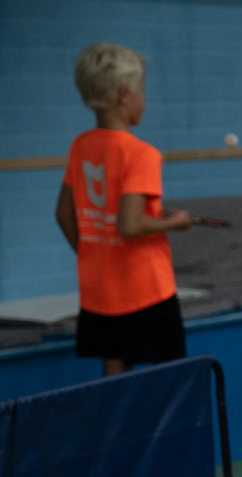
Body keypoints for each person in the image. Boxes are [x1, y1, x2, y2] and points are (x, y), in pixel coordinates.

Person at [55, 43, 192, 377]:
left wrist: (92, 253)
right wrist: (176, 223)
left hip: (100, 292)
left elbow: (63, 214)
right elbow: (129, 225)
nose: (144, 99)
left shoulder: (80, 146)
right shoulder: (142, 154)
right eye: (142, 91)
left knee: (114, 380)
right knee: (171, 379)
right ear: (123, 94)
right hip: (146, 290)